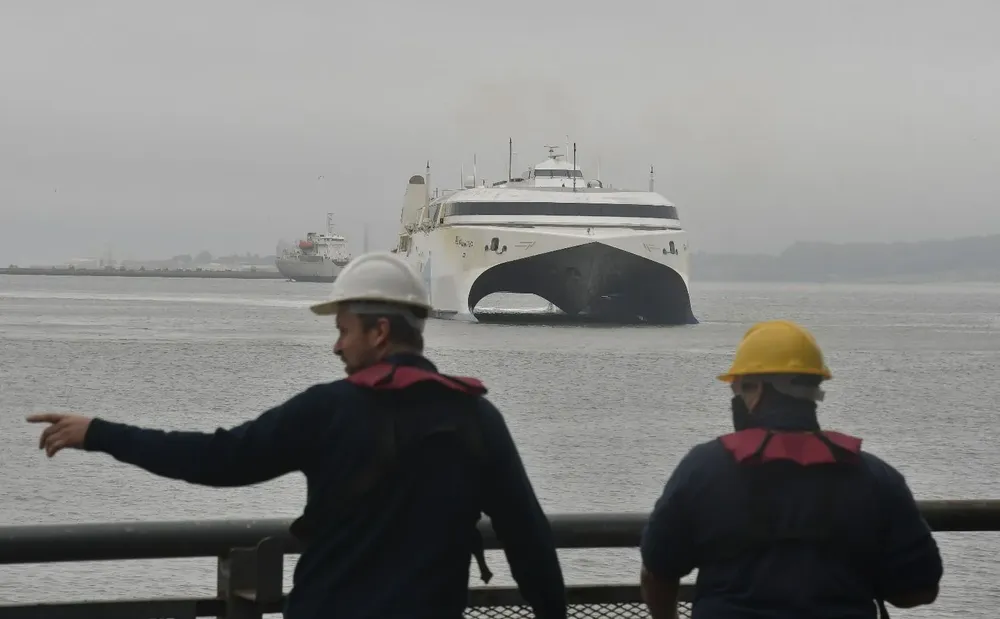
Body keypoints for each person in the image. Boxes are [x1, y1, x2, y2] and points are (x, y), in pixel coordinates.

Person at [28, 251, 567, 619]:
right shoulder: (476, 417)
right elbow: (529, 539)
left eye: (343, 331)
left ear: (379, 332)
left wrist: (100, 433)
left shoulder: (329, 411)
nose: (337, 348)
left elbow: (218, 459)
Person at [638, 320, 943, 619]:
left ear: (753, 388)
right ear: (814, 391)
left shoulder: (702, 469)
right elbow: (920, 589)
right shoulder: (877, 478)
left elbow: (657, 571)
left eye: (738, 390)